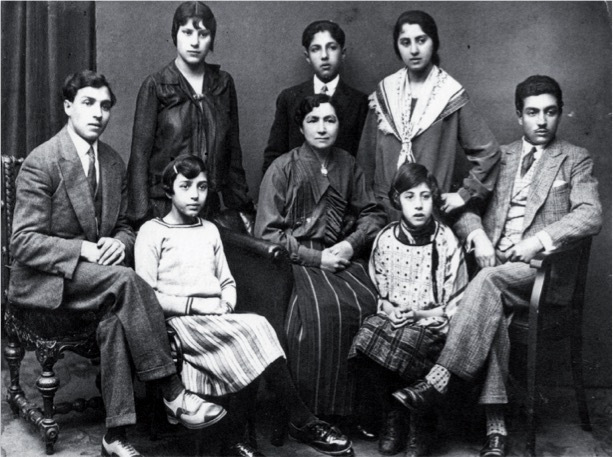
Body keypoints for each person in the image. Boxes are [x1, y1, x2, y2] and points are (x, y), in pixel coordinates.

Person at [8, 70, 226, 457]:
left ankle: (116, 433)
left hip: (97, 285)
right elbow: (22, 243)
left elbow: (127, 227)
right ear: (68, 106)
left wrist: (117, 243)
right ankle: (172, 391)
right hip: (47, 285)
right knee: (125, 282)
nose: (98, 113)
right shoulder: (43, 161)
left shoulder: (111, 162)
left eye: (105, 106)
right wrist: (84, 250)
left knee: (115, 317)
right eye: (88, 103)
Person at [392, 75, 602, 457]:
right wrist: (478, 236)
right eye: (533, 112)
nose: (542, 121)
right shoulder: (501, 157)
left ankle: (439, 380)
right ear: (518, 115)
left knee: (487, 283)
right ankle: (496, 430)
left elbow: (590, 214)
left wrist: (538, 240)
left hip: (540, 274)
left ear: (560, 114)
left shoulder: (574, 158)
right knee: (493, 312)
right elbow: (465, 207)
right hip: (495, 272)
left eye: (550, 112)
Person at [135, 154, 353, 457]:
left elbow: (227, 281)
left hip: (216, 318)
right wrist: (196, 306)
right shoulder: (153, 231)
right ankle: (300, 420)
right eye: (185, 186)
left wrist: (226, 303)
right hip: (180, 322)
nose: (195, 195)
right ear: (169, 190)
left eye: (202, 187)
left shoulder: (209, 230)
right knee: (257, 331)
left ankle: (239, 437)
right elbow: (146, 297)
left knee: (256, 329)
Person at [255, 94, 387, 421]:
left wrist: (351, 244)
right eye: (313, 121)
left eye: (330, 120)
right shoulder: (282, 168)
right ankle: (311, 413)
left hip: (340, 254)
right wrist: (316, 258)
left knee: (371, 304)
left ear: (339, 125)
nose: (322, 128)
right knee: (323, 311)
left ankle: (357, 410)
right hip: (295, 261)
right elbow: (266, 233)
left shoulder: (348, 164)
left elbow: (373, 214)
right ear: (301, 127)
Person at [349, 163, 467, 457]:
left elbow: (455, 305)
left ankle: (420, 421)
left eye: (425, 197)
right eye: (409, 197)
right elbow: (381, 292)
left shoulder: (446, 241)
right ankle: (394, 415)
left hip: (432, 323)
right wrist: (390, 310)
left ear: (434, 199)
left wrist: (419, 316)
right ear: (396, 200)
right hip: (396, 319)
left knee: (411, 339)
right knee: (365, 338)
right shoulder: (386, 239)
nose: (418, 205)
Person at [357, 10, 501, 221]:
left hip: (429, 213)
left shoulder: (450, 94)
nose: (414, 50)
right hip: (385, 212)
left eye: (421, 40)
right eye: (405, 42)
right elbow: (365, 160)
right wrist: (369, 209)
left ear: (434, 43)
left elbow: (489, 153)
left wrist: (465, 194)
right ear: (397, 47)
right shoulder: (384, 93)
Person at [127, 1, 254, 230]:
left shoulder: (223, 84)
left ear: (212, 38)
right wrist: (143, 219)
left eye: (203, 34)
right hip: (164, 209)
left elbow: (232, 153)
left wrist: (242, 208)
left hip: (208, 209)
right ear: (175, 35)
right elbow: (139, 158)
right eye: (187, 32)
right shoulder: (156, 85)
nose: (195, 42)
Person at [262, 19, 368, 174]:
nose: (324, 56)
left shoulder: (360, 102)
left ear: (343, 53)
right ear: (307, 56)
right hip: (297, 185)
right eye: (316, 49)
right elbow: (274, 156)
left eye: (332, 48)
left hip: (343, 186)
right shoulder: (289, 98)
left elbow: (364, 161)